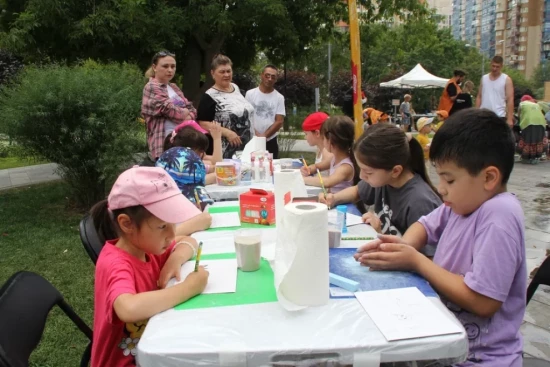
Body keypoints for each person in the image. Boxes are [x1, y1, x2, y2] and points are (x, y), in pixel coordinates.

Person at [355, 109, 526, 366]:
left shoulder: (499, 216)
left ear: (489, 177)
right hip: (444, 339)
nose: (442, 188)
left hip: (479, 357)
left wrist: (417, 262)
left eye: (449, 179)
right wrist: (403, 246)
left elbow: (483, 301)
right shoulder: (461, 203)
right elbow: (425, 225)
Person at [90, 166, 209, 367]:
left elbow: (189, 242)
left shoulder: (149, 246)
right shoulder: (115, 263)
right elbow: (128, 308)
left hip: (154, 347)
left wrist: (174, 259)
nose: (171, 234)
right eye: (163, 226)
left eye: (173, 224)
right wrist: (188, 288)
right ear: (127, 224)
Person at [320, 124, 441, 241]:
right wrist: (334, 198)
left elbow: (426, 258)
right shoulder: (384, 179)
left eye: (368, 172)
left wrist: (379, 233)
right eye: (360, 168)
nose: (361, 176)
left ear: (395, 171)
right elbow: (357, 191)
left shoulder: (420, 203)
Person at [141, 51, 197, 161]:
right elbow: (169, 110)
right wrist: (185, 113)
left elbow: (192, 109)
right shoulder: (152, 86)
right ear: (154, 67)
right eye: (165, 66)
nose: (170, 70)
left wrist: (187, 114)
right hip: (164, 145)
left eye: (173, 66)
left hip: (183, 142)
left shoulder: (174, 87)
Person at [197, 54, 254, 159]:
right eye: (222, 72)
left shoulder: (236, 88)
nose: (226, 74)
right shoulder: (209, 96)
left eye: (229, 71)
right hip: (225, 150)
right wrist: (227, 132)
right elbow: (202, 123)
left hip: (247, 147)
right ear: (213, 73)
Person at [301, 116, 358, 193]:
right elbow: (318, 167)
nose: (323, 141)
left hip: (343, 204)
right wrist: (309, 169)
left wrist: (303, 179)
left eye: (324, 138)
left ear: (331, 141)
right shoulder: (334, 159)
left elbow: (328, 182)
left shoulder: (345, 167)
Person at [245, 65, 286, 159]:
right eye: (267, 75)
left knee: (271, 168)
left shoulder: (279, 98)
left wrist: (264, 137)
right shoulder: (250, 94)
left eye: (273, 77)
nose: (270, 79)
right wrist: (256, 135)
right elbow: (247, 117)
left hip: (270, 140)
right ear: (262, 75)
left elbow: (279, 121)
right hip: (252, 139)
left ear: (276, 79)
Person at [476, 56, 515, 127]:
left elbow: (510, 99)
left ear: (501, 66)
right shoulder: (484, 78)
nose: (494, 69)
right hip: (483, 115)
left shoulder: (506, 79)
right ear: (490, 64)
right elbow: (479, 96)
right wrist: (476, 113)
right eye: (493, 66)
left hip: (499, 115)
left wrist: (509, 119)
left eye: (497, 67)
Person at [517, 95, 548, 164]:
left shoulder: (522, 104)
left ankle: (527, 158)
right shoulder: (536, 104)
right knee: (538, 140)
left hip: (529, 122)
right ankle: (536, 157)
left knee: (528, 139)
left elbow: (519, 115)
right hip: (541, 122)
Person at [301, 112, 333, 176]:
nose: (305, 137)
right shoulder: (319, 149)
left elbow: (331, 161)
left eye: (306, 134)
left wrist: (311, 169)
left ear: (317, 133)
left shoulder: (327, 152)